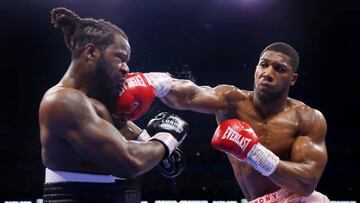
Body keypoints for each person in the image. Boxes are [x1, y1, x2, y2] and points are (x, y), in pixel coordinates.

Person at [131, 42, 329, 202]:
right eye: (263, 64)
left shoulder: (307, 118)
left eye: (279, 69)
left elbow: (307, 182)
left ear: (292, 79)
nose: (268, 74)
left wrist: (254, 153)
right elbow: (191, 95)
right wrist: (156, 83)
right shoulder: (232, 101)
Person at [39, 7, 189, 202]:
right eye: (120, 57)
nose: (126, 68)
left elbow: (125, 135)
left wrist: (148, 140)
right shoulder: (62, 101)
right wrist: (168, 138)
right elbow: (130, 162)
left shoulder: (97, 102)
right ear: (91, 52)